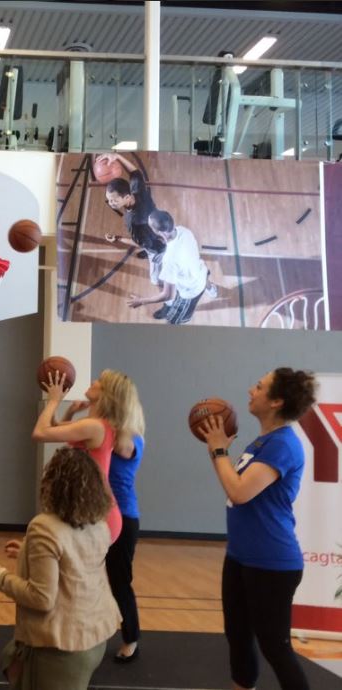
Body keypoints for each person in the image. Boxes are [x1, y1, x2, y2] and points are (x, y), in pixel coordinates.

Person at [200, 368, 316, 690]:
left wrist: (220, 450)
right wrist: (217, 449)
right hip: (240, 556)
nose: (251, 390)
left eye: (260, 386)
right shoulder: (262, 441)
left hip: (272, 562)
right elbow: (232, 485)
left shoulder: (282, 445)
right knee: (237, 636)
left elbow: (239, 493)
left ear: (277, 401)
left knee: (275, 647)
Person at [0, 447, 120, 690]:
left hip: (63, 647)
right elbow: (74, 561)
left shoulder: (44, 527)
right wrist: (28, 554)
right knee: (13, 659)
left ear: (53, 483)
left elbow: (41, 598)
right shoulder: (98, 525)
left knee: (16, 665)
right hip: (94, 638)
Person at [31, 369, 141, 544]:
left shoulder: (95, 427)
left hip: (99, 512)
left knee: (77, 569)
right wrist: (70, 411)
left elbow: (40, 433)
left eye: (99, 381)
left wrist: (54, 400)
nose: (93, 381)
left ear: (106, 394)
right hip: (94, 507)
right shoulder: (98, 425)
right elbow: (55, 426)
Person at [105, 380, 146, 663]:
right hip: (96, 516)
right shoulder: (104, 428)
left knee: (120, 582)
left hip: (123, 518)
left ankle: (131, 638)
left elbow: (118, 445)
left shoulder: (129, 438)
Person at [127, 210, 215, 325]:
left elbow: (168, 295)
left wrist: (141, 301)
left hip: (190, 292)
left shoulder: (170, 261)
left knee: (172, 322)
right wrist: (164, 254)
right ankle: (213, 290)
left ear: (157, 231)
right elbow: (180, 248)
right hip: (200, 271)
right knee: (202, 277)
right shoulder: (183, 230)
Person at [99, 152, 167, 285]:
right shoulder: (137, 189)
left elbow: (139, 243)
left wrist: (118, 239)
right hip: (159, 227)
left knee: (154, 276)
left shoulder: (133, 221)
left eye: (114, 201)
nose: (111, 204)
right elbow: (135, 172)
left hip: (155, 246)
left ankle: (159, 281)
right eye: (109, 200)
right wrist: (117, 156)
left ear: (126, 197)